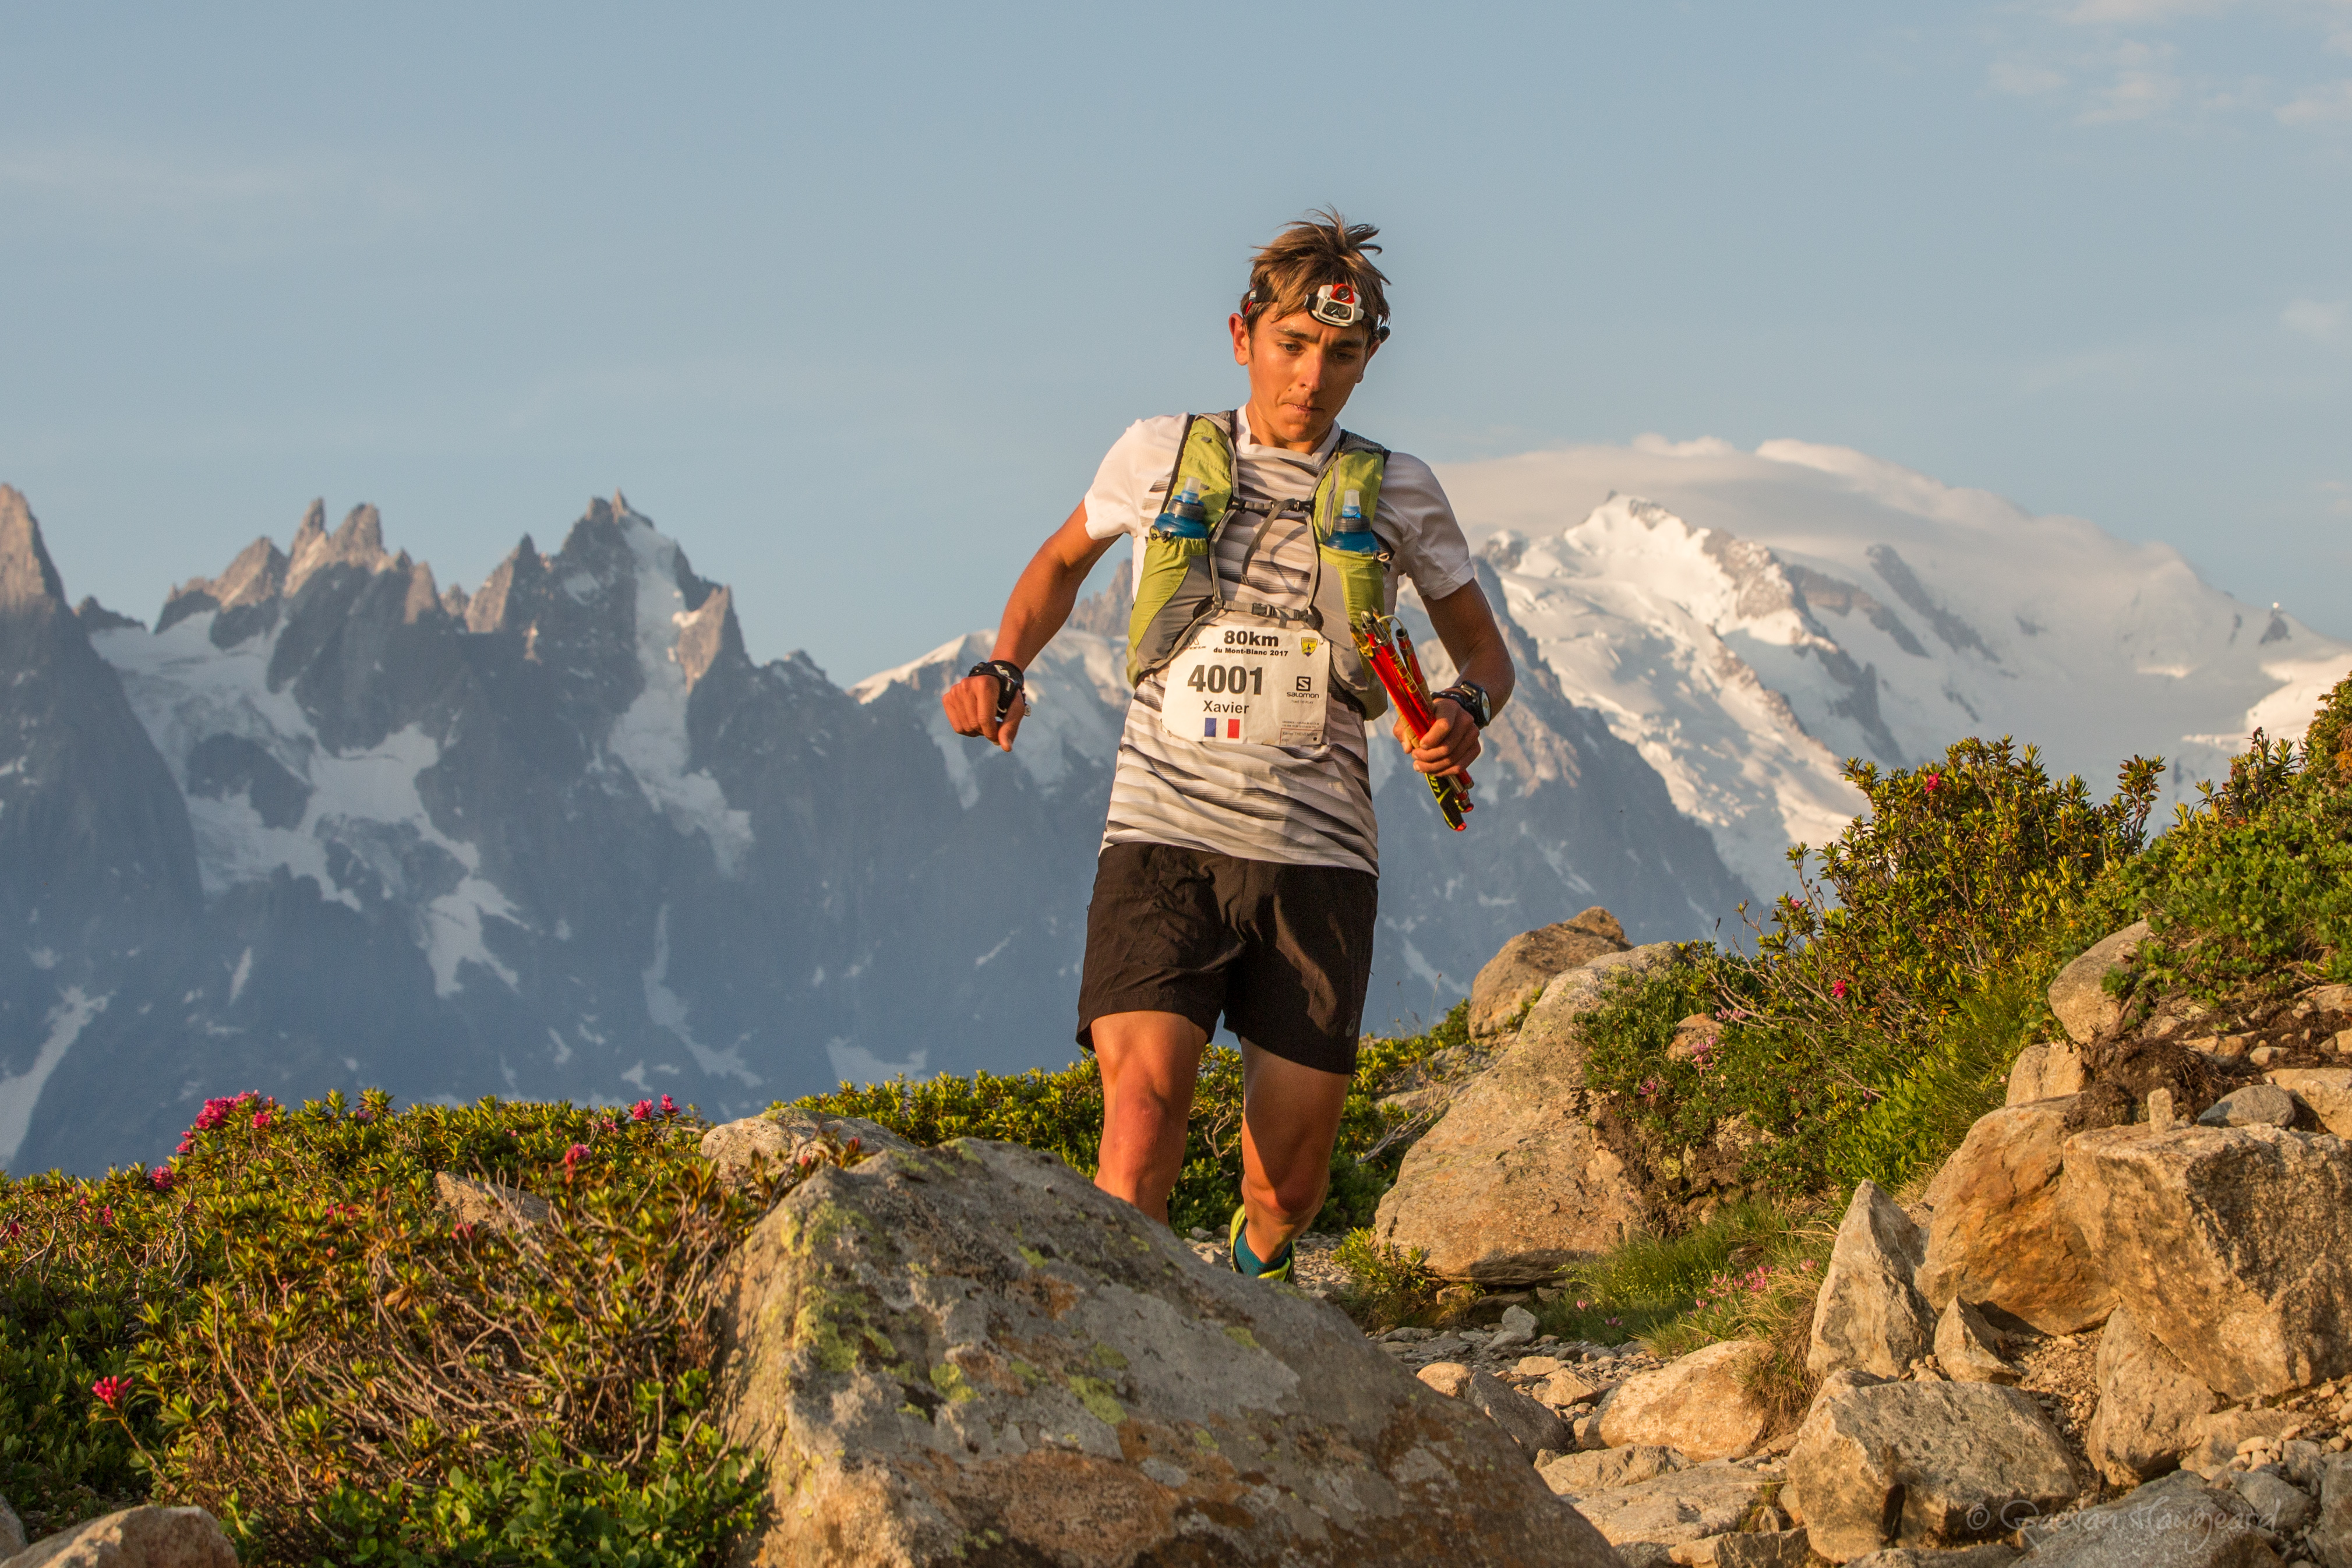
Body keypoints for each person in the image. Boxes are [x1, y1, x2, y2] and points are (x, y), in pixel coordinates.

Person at [942, 210, 1514, 1281]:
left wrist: (1462, 714)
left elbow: (1485, 655)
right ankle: (1137, 1367)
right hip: (1160, 830)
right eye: (1292, 346)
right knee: (1143, 1113)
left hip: (1317, 854)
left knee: (1283, 1187)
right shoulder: (1157, 453)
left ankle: (1256, 1285)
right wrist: (1003, 665)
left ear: (1368, 359)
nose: (1312, 376)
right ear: (1242, 334)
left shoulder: (1400, 491)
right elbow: (1061, 562)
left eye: (1340, 355)